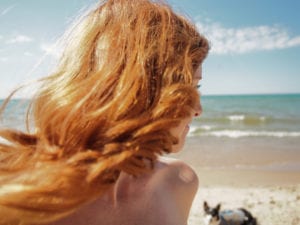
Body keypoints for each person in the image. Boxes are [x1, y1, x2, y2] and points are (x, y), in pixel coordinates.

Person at [0, 0, 209, 224]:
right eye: (186, 87)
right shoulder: (18, 191)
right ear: (135, 87)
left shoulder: (179, 183)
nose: (198, 110)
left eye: (196, 88)